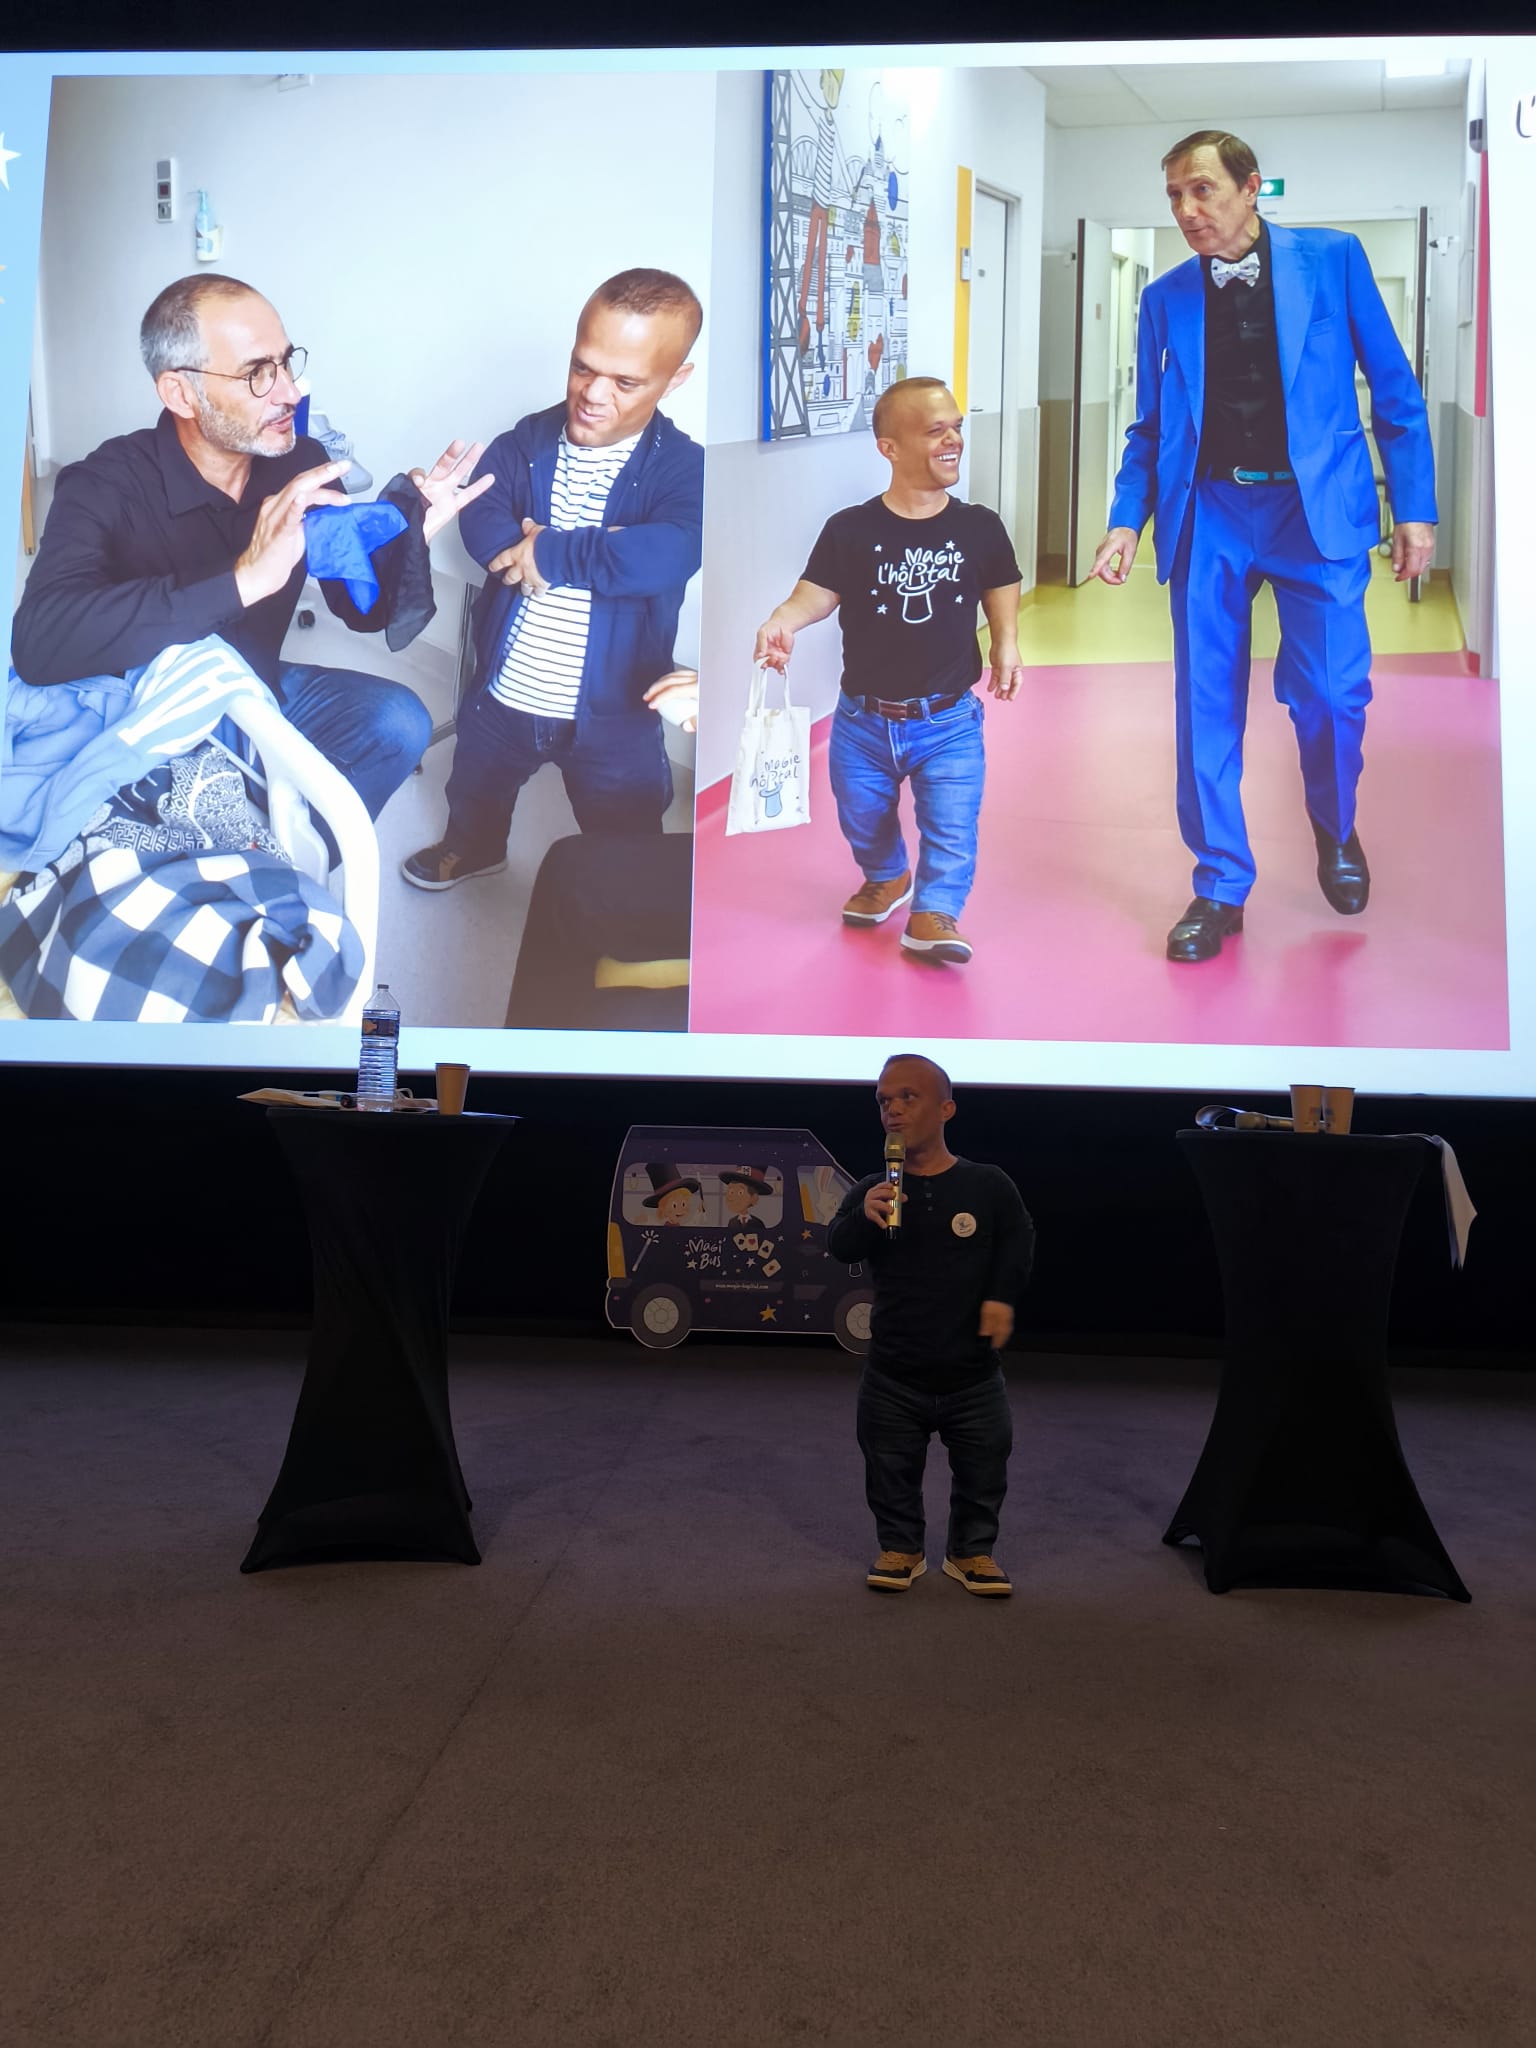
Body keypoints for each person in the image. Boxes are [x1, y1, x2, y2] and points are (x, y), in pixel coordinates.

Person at [1091, 131, 1437, 963]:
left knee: (1331, 695)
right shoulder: (1166, 297)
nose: (1186, 211)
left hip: (1313, 514)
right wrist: (1123, 519)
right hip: (1209, 510)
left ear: (1251, 189)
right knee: (1204, 705)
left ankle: (1337, 827)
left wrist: (1416, 510)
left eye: (1203, 190)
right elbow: (1150, 427)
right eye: (1174, 195)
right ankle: (1218, 883)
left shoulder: (1334, 259)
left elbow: (1394, 390)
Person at [11, 272, 489, 821]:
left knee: (400, 722)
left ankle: (284, 857)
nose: (291, 391)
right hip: (148, 712)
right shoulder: (104, 483)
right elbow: (40, 643)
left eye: (286, 362)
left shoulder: (300, 463)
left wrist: (408, 536)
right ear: (180, 393)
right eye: (257, 374)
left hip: (256, 688)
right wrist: (243, 579)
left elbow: (355, 607)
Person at [402, 270, 704, 890]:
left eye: (625, 382)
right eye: (582, 367)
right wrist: (522, 550)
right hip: (507, 687)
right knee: (475, 786)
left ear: (675, 381)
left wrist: (555, 553)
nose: (593, 394)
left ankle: (624, 898)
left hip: (616, 710)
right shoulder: (531, 438)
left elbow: (669, 553)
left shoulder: (683, 467)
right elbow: (484, 507)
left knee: (627, 827)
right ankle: (475, 848)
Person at [753, 378, 1024, 966]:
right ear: (890, 448)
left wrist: (1007, 643)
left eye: (956, 426)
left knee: (951, 825)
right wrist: (783, 620)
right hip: (862, 722)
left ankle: (935, 911)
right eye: (935, 431)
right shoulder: (851, 529)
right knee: (863, 814)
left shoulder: (980, 527)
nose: (953, 439)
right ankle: (887, 876)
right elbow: (816, 593)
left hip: (947, 719)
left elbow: (1001, 580)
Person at [827, 1052, 1034, 1596]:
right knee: (889, 1467)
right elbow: (839, 1245)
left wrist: (1001, 1299)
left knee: (985, 1466)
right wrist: (862, 1214)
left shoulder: (988, 1185)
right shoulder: (876, 1187)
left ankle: (971, 1553)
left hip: (972, 1374)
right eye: (883, 1101)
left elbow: (1017, 1242)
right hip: (894, 1372)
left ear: (946, 1108)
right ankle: (902, 1547)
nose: (892, 1110)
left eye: (907, 1098)